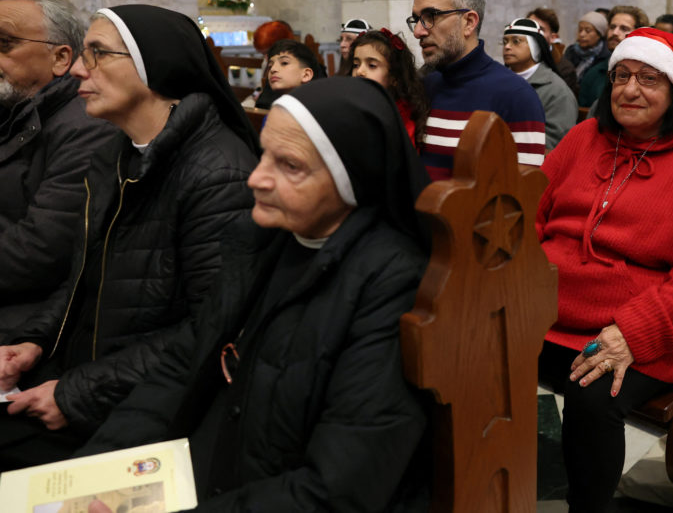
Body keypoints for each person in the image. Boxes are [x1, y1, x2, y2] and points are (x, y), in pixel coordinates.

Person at [77, 78, 431, 511]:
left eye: (290, 166)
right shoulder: (261, 237)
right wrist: (95, 473)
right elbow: (181, 369)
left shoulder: (390, 283)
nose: (257, 177)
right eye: (264, 153)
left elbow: (338, 487)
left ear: (351, 180)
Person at [0, 5, 260, 468]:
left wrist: (78, 393)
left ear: (153, 66)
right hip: (85, 376)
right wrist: (36, 341)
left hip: (147, 409)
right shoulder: (116, 152)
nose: (79, 68)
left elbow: (209, 330)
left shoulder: (218, 173)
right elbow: (85, 276)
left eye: (98, 53)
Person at [536, 27, 673, 511]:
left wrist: (633, 333)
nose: (630, 89)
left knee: (591, 395)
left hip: (646, 325)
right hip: (547, 307)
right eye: (622, 75)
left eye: (650, 79)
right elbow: (531, 213)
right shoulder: (586, 135)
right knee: (470, 349)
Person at [0, 0, 117, 338]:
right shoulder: (12, 110)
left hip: (33, 318)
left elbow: (41, 251)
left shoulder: (86, 127)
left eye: (5, 44)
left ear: (61, 59)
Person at [411, 0, 545, 180]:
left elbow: (524, 195)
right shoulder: (424, 86)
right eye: (417, 19)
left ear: (469, 22)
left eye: (431, 17)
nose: (418, 31)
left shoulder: (515, 95)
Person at [502, 17, 576, 150]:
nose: (507, 46)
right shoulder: (498, 81)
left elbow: (556, 142)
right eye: (505, 41)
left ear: (534, 47)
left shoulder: (557, 92)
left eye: (516, 41)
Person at [347, 27, 429, 148]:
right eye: (356, 65)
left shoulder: (400, 122)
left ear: (394, 77)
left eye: (372, 65)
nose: (359, 71)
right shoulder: (351, 108)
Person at [578, 5, 649, 108]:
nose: (615, 33)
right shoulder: (595, 73)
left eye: (624, 28)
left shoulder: (649, 74)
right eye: (612, 27)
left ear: (639, 34)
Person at [528, 6, 578, 95]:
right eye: (529, 27)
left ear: (553, 37)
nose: (532, 33)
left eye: (540, 29)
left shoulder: (564, 69)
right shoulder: (518, 60)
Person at [249, 20, 296, 109]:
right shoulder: (266, 62)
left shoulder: (294, 64)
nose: (266, 58)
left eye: (268, 52)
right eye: (263, 54)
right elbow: (260, 87)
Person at [563, 10, 610, 85]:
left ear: (599, 35)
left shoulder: (606, 56)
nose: (582, 34)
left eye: (587, 31)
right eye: (580, 30)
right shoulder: (571, 51)